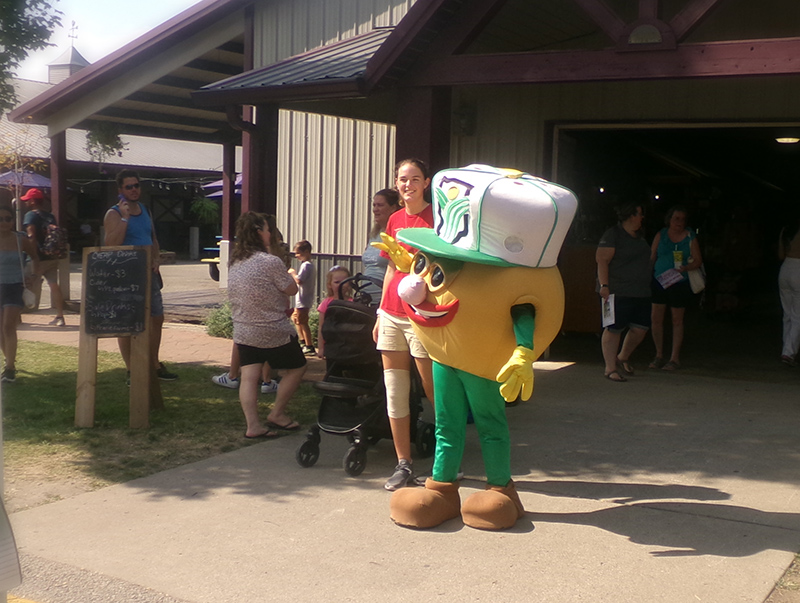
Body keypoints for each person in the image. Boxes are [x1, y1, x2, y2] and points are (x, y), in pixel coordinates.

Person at [372, 158, 435, 490]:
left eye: (414, 179)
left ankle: (444, 464)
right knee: (394, 393)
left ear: (426, 182)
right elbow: (391, 269)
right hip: (393, 317)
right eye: (402, 179)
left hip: (424, 318)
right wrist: (381, 313)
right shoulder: (395, 219)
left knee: (433, 390)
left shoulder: (437, 219)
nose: (407, 184)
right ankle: (404, 465)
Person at [227, 211, 307, 438]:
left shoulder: (235, 261)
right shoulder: (270, 261)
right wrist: (288, 271)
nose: (270, 233)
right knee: (298, 367)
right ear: (258, 232)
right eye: (267, 229)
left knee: (249, 376)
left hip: (244, 329)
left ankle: (253, 426)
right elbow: (291, 289)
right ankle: (277, 414)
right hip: (272, 329)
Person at [103, 170, 177, 382]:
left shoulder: (145, 209)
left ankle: (154, 365)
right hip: (126, 275)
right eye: (129, 186)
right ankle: (131, 369)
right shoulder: (113, 214)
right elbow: (111, 244)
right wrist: (125, 218)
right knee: (127, 323)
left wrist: (156, 259)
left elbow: (152, 238)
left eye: (136, 185)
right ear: (120, 190)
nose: (134, 189)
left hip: (149, 273)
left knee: (157, 318)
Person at [212, 215, 290, 392]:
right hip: (270, 316)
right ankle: (266, 382)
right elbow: (288, 286)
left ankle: (250, 380)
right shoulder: (273, 254)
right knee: (288, 361)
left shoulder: (240, 259)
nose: (269, 233)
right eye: (267, 229)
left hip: (251, 319)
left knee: (249, 368)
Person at [596, 203, 651, 382]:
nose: (642, 217)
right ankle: (610, 367)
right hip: (617, 290)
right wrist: (604, 285)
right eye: (639, 213)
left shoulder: (640, 236)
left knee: (640, 328)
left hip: (640, 290)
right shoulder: (613, 234)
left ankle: (622, 356)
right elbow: (602, 260)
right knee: (613, 328)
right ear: (631, 215)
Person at [649, 205, 703, 371]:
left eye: (682, 219)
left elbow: (698, 260)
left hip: (679, 282)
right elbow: (652, 257)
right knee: (656, 318)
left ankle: (674, 358)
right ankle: (659, 355)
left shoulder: (690, 237)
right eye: (676, 218)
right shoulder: (661, 234)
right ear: (669, 220)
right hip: (660, 280)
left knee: (677, 320)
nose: (679, 222)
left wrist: (686, 268)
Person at [0, 204, 39, 382]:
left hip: (15, 286)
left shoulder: (20, 240)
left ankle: (9, 369)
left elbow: (34, 257)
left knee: (8, 325)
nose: (5, 222)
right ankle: (10, 361)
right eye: (1, 219)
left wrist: (33, 276)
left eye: (8, 219)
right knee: (1, 329)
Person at [21, 188, 66, 326]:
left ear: (33, 201)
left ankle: (18, 315)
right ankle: (60, 316)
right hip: (52, 256)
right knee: (54, 285)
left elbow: (31, 236)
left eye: (28, 200)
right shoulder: (50, 216)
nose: (26, 202)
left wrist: (32, 255)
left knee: (24, 283)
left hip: (37, 258)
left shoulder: (30, 215)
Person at [361, 189, 401, 305]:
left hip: (385, 300)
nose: (375, 209)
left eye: (380, 205)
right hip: (366, 298)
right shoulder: (374, 235)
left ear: (393, 208)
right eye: (374, 205)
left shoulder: (396, 235)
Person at [778, 209, 800, 367]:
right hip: (798, 269)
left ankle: (786, 348)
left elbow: (780, 255)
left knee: (787, 313)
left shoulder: (784, 231)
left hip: (785, 268)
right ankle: (789, 352)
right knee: (797, 314)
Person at [316, 265, 352, 360]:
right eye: (337, 282)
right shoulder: (326, 303)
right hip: (331, 344)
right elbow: (321, 327)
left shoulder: (353, 303)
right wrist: (321, 348)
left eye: (344, 282)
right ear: (329, 285)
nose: (341, 285)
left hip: (348, 345)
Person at [289, 240, 316, 355]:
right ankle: (302, 342)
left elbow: (299, 280)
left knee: (303, 321)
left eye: (298, 253)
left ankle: (309, 345)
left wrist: (293, 273)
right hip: (300, 299)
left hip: (303, 300)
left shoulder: (307, 266)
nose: (296, 256)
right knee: (296, 319)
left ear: (306, 252)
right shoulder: (306, 265)